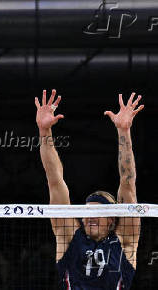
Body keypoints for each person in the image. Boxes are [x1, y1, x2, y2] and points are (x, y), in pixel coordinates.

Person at [35, 90, 143, 289]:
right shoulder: (69, 237)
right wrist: (44, 132)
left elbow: (128, 183)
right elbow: (55, 181)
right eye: (86, 212)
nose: (89, 217)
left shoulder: (125, 240)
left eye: (97, 212)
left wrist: (124, 131)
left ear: (111, 219)